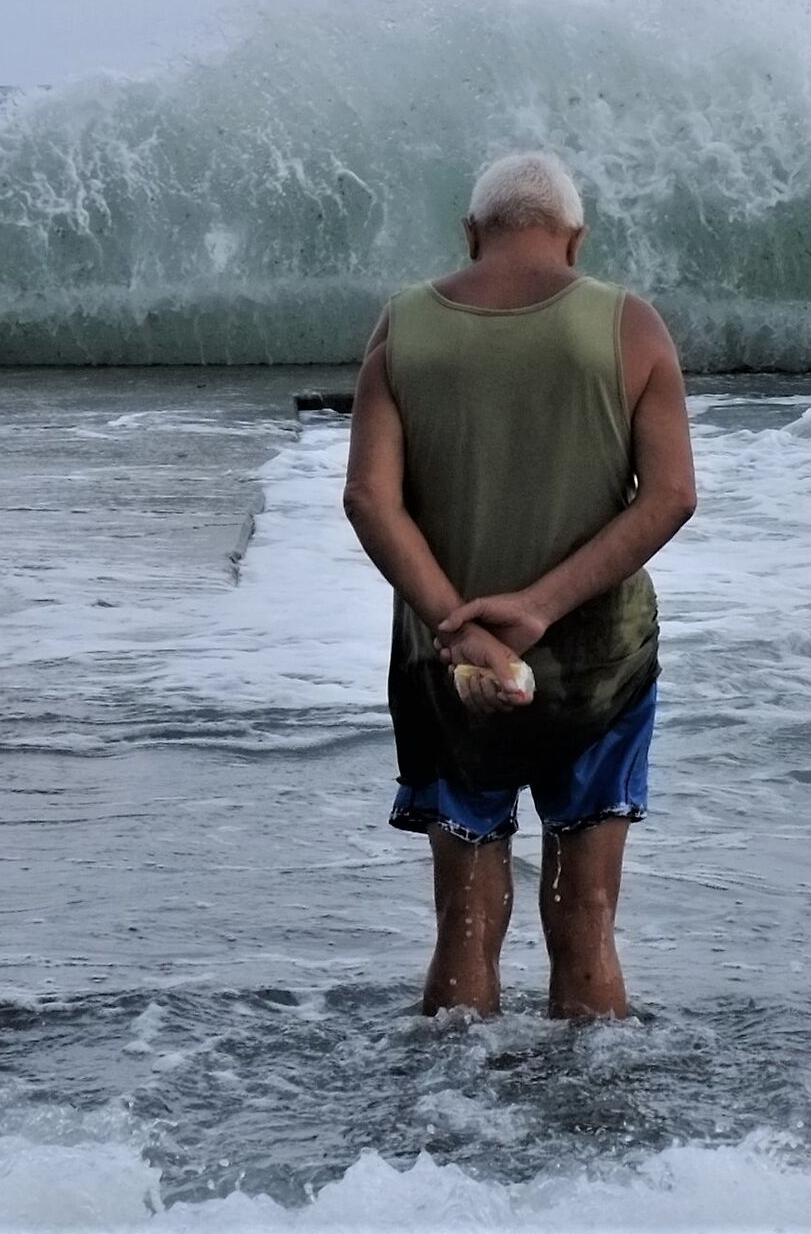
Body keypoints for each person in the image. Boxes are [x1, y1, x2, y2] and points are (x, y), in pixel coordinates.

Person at [342, 149, 696, 1020]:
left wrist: (456, 628)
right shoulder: (630, 326)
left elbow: (368, 500)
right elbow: (673, 497)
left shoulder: (405, 328)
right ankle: (595, 1133)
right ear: (575, 240)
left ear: (472, 232)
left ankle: (452, 1136)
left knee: (462, 927)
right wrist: (540, 607)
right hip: (597, 667)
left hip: (451, 670)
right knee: (588, 921)